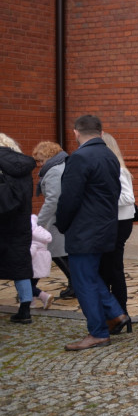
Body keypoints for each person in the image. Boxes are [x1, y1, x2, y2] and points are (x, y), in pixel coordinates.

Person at [56, 116, 130, 349]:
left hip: (84, 231)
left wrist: (62, 223)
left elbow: (70, 197)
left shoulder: (79, 157)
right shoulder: (110, 156)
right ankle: (116, 313)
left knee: (83, 282)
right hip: (105, 227)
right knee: (91, 277)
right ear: (100, 131)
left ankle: (98, 331)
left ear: (76, 132)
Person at [1, 133, 38, 324]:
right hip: (20, 222)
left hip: (2, 222)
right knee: (20, 266)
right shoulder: (24, 166)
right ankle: (25, 309)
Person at [97, 132, 135, 316]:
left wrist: (100, 200)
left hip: (119, 223)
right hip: (113, 222)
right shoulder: (113, 168)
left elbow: (128, 198)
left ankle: (120, 312)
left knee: (113, 269)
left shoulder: (118, 169)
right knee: (108, 268)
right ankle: (115, 311)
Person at [32, 141, 75, 299]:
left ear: (48, 156)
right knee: (59, 251)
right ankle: (74, 284)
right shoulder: (60, 166)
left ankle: (75, 285)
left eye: (40, 160)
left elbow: (52, 200)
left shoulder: (53, 171)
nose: (39, 164)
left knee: (56, 251)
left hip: (56, 218)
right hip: (61, 216)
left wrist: (39, 222)